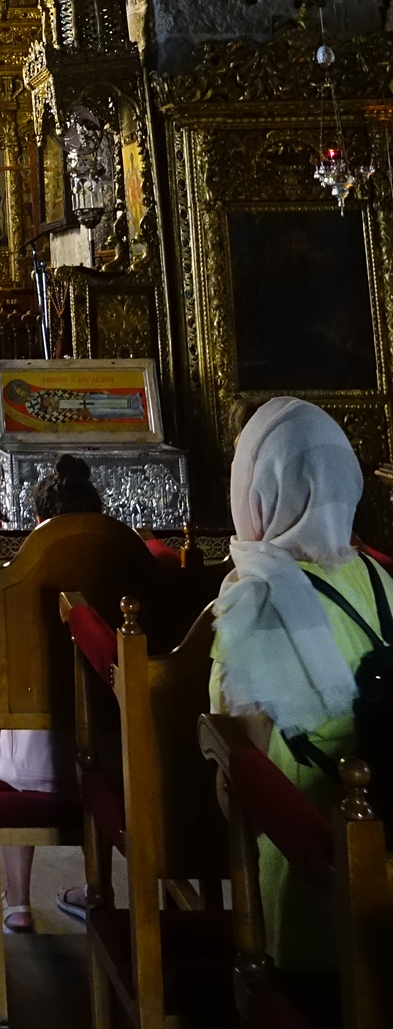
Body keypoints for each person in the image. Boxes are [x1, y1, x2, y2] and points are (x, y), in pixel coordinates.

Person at [211, 395, 393, 973]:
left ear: (255, 489)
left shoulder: (255, 605)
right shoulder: (384, 581)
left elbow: (240, 783)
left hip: (312, 900)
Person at [0, 453, 105, 933]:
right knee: (99, 775)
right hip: (103, 741)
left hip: (32, 740)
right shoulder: (117, 564)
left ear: (39, 522)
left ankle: (17, 902)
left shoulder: (17, 575)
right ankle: (97, 889)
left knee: (9, 726)